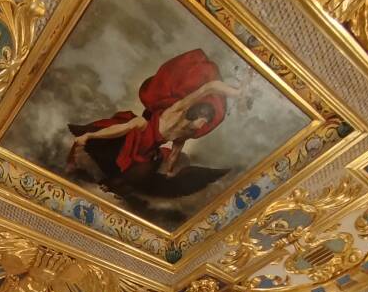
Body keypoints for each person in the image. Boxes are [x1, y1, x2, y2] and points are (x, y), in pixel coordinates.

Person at [67, 48, 242, 197]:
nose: (203, 126)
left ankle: (112, 186)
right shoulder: (177, 111)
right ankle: (89, 142)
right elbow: (208, 87)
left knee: (141, 176)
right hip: (138, 136)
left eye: (205, 122)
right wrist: (235, 92)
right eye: (202, 121)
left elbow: (174, 154)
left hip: (148, 154)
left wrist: (169, 172)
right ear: (194, 114)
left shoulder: (186, 133)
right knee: (119, 136)